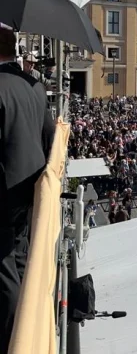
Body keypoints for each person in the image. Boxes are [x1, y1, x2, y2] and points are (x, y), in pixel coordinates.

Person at [0, 26, 57, 350]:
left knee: (5, 270)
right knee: (21, 260)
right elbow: (49, 136)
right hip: (30, 188)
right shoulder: (34, 85)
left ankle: (13, 339)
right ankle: (29, 322)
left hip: (4, 194)